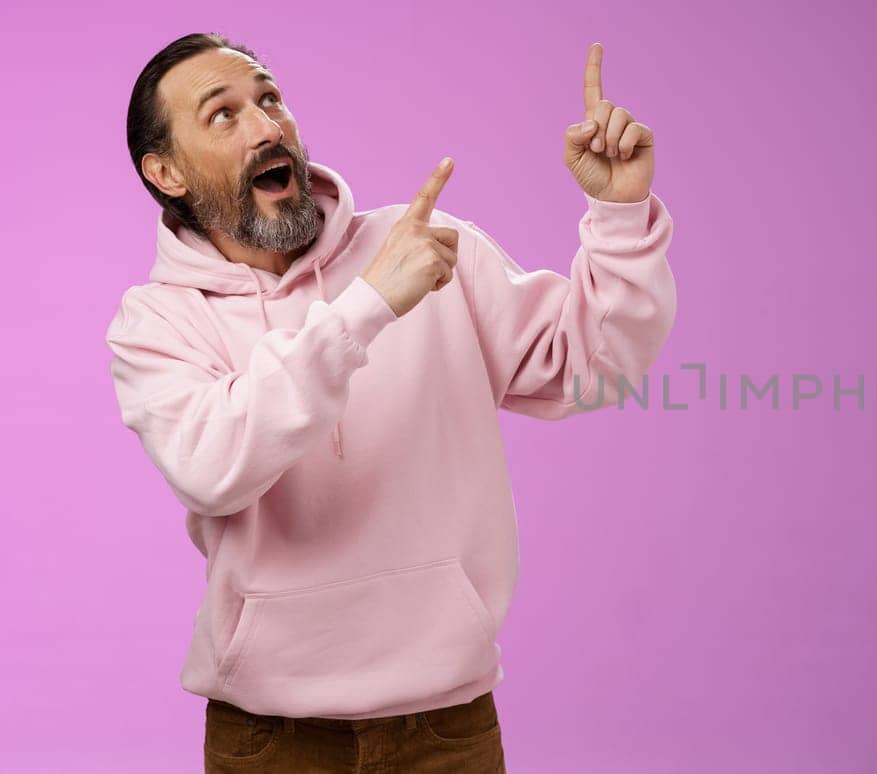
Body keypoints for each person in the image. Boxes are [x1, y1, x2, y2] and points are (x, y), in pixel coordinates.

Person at [106, 32, 675, 772]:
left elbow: (594, 367)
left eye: (269, 98)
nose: (267, 126)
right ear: (168, 171)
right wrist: (368, 304)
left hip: (445, 727)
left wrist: (621, 218)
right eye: (223, 114)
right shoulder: (156, 320)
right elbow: (212, 467)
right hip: (269, 738)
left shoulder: (426, 249)